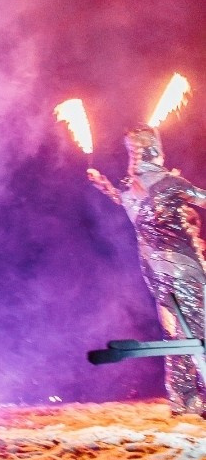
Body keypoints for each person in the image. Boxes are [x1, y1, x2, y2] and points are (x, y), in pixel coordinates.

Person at [88, 126, 206, 416]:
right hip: (184, 269)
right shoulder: (170, 183)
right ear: (156, 149)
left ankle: (184, 400)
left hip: (157, 275)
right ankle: (192, 398)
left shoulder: (132, 194)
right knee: (198, 330)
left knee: (176, 336)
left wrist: (103, 185)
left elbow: (123, 200)